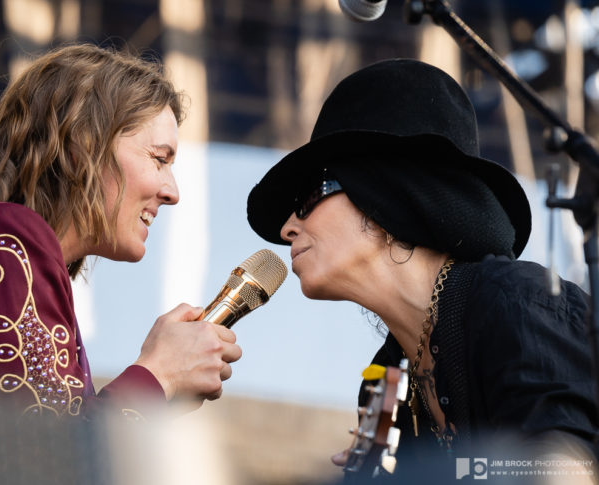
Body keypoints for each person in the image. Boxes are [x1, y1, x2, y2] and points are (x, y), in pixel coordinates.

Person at [247, 58, 598, 481]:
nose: (288, 228)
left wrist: (428, 473)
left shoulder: (515, 303)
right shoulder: (387, 383)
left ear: (382, 196)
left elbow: (568, 471)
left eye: (308, 198)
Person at [0, 43, 242, 421]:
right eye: (159, 159)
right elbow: (51, 449)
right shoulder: (1, 237)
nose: (173, 192)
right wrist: (159, 375)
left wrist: (161, 390)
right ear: (84, 143)